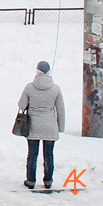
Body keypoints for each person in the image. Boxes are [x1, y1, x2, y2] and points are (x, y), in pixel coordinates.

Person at [18, 60, 65, 189]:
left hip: (33, 125)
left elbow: (21, 105)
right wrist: (61, 127)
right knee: (49, 154)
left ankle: (31, 181)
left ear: (37, 71)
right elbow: (60, 110)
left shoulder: (29, 87)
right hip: (50, 125)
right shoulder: (56, 88)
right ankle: (48, 181)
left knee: (32, 154)